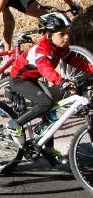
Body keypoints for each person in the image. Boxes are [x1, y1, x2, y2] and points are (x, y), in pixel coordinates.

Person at [8, 12, 93, 165]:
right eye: (62, 34)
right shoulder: (42, 49)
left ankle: (48, 149)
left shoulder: (60, 47)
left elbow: (75, 61)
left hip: (32, 79)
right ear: (48, 35)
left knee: (51, 111)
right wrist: (62, 82)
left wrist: (91, 69)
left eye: (67, 33)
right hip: (19, 80)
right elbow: (45, 69)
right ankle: (15, 125)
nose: (66, 38)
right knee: (45, 103)